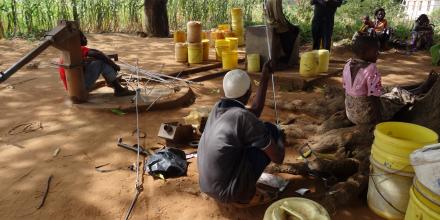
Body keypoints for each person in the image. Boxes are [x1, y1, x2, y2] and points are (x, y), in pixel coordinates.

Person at [197, 61, 285, 207]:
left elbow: (255, 111)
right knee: (271, 130)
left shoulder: (217, 108)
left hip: (207, 185)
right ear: (249, 93)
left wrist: (265, 77)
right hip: (227, 192)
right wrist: (280, 137)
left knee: (253, 136)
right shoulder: (242, 117)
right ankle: (243, 195)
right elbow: (278, 158)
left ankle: (236, 185)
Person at [343, 35, 436, 125]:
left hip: (351, 114)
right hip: (368, 117)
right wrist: (378, 120)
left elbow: (348, 90)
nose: (378, 53)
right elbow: (373, 99)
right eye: (375, 51)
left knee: (387, 89)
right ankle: (421, 90)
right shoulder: (371, 69)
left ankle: (418, 88)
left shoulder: (348, 64)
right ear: (363, 52)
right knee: (398, 94)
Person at [59, 31, 135, 96]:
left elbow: (96, 52)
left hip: (72, 87)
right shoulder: (78, 49)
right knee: (101, 62)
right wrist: (114, 65)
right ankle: (119, 90)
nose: (85, 38)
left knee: (99, 60)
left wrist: (102, 55)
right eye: (82, 36)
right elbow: (97, 54)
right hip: (79, 88)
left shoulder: (68, 50)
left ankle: (112, 82)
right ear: (76, 40)